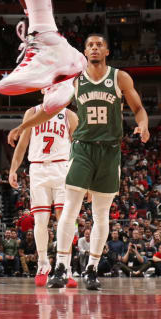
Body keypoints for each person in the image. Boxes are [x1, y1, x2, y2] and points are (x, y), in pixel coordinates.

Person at [17, 35, 147, 291]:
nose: (95, 48)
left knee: (101, 215)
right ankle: (61, 267)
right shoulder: (75, 79)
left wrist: (142, 124)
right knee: (69, 210)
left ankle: (91, 269)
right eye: (90, 45)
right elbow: (50, 109)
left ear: (107, 50)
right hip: (83, 150)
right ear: (85, 52)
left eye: (100, 44)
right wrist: (22, 126)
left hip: (110, 151)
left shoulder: (119, 77)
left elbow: (138, 107)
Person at [7, 87, 77, 286]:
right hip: (38, 169)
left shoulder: (69, 115)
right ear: (44, 92)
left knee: (65, 220)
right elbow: (22, 145)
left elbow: (79, 148)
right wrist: (13, 169)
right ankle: (43, 263)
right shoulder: (32, 113)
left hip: (63, 168)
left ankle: (66, 267)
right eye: (49, 89)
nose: (52, 92)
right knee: (40, 220)